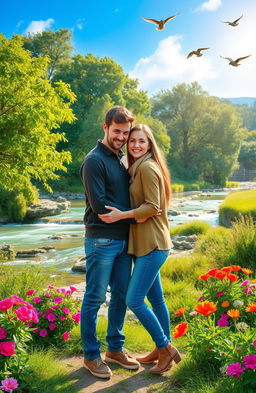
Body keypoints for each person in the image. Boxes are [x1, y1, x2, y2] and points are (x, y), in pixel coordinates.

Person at [98, 124, 182, 374]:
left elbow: (153, 207)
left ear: (149, 145)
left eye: (141, 141)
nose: (135, 145)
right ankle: (160, 350)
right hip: (148, 244)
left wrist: (124, 214)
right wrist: (136, 215)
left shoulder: (146, 167)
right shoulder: (136, 167)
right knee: (156, 299)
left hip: (153, 244)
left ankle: (165, 348)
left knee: (134, 299)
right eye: (131, 140)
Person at [80, 106, 140, 379]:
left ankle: (115, 349)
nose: (121, 137)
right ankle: (91, 356)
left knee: (120, 297)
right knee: (94, 298)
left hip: (123, 240)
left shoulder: (121, 158)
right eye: (116, 131)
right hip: (101, 240)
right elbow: (100, 206)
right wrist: (135, 217)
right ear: (105, 128)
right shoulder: (94, 161)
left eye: (125, 132)